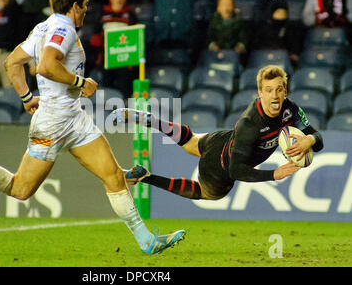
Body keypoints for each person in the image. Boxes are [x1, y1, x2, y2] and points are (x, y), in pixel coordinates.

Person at [0, 0, 184, 255]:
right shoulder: (64, 27)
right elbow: (45, 66)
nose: (86, 10)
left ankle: (146, 240)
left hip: (73, 118)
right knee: (20, 189)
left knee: (113, 177)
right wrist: (81, 83)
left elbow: (12, 63)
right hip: (53, 123)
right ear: (73, 6)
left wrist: (25, 98)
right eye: (83, 5)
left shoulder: (43, 28)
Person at [112, 65, 324, 201]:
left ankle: (150, 119)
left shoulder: (291, 109)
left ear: (285, 91)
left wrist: (310, 139)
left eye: (279, 89)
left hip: (221, 139)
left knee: (191, 141)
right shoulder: (250, 123)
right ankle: (146, 177)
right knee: (206, 194)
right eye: (268, 90)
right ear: (260, 93)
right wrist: (273, 174)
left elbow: (318, 139)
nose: (275, 95)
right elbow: (236, 171)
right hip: (220, 167)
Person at [89, 0, 137, 98]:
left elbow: (136, 36)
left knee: (124, 89)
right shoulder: (103, 14)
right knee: (107, 89)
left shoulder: (131, 15)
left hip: (125, 60)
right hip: (107, 60)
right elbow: (95, 37)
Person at [251, 0, 302, 67]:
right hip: (265, 58)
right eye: (278, 12)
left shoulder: (291, 28)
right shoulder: (264, 27)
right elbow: (256, 45)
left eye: (283, 13)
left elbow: (294, 48)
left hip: (282, 60)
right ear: (272, 13)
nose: (281, 15)